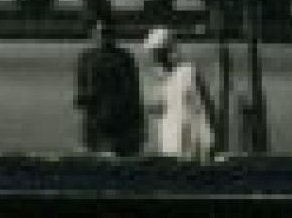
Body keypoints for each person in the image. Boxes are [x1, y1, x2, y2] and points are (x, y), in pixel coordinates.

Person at [141, 27, 218, 161]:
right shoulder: (163, 80)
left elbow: (204, 108)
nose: (155, 61)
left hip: (190, 145)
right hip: (170, 145)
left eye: (158, 55)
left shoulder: (188, 72)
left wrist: (208, 141)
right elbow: (157, 108)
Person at [74, 14, 145, 157]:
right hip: (94, 124)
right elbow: (82, 89)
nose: (102, 36)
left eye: (106, 32)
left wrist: (137, 127)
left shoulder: (124, 58)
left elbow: (132, 93)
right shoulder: (85, 58)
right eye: (99, 32)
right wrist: (83, 100)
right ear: (92, 34)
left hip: (119, 125)